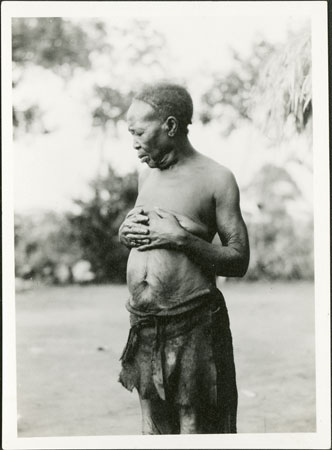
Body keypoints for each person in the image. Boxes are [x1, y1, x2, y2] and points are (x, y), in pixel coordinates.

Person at [118, 82, 249, 434]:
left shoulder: (216, 178)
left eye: (139, 132)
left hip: (193, 321)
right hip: (145, 323)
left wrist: (181, 239)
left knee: (195, 427)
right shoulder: (146, 175)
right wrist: (124, 233)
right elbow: (141, 235)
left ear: (171, 127)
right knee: (152, 429)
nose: (134, 142)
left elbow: (238, 259)